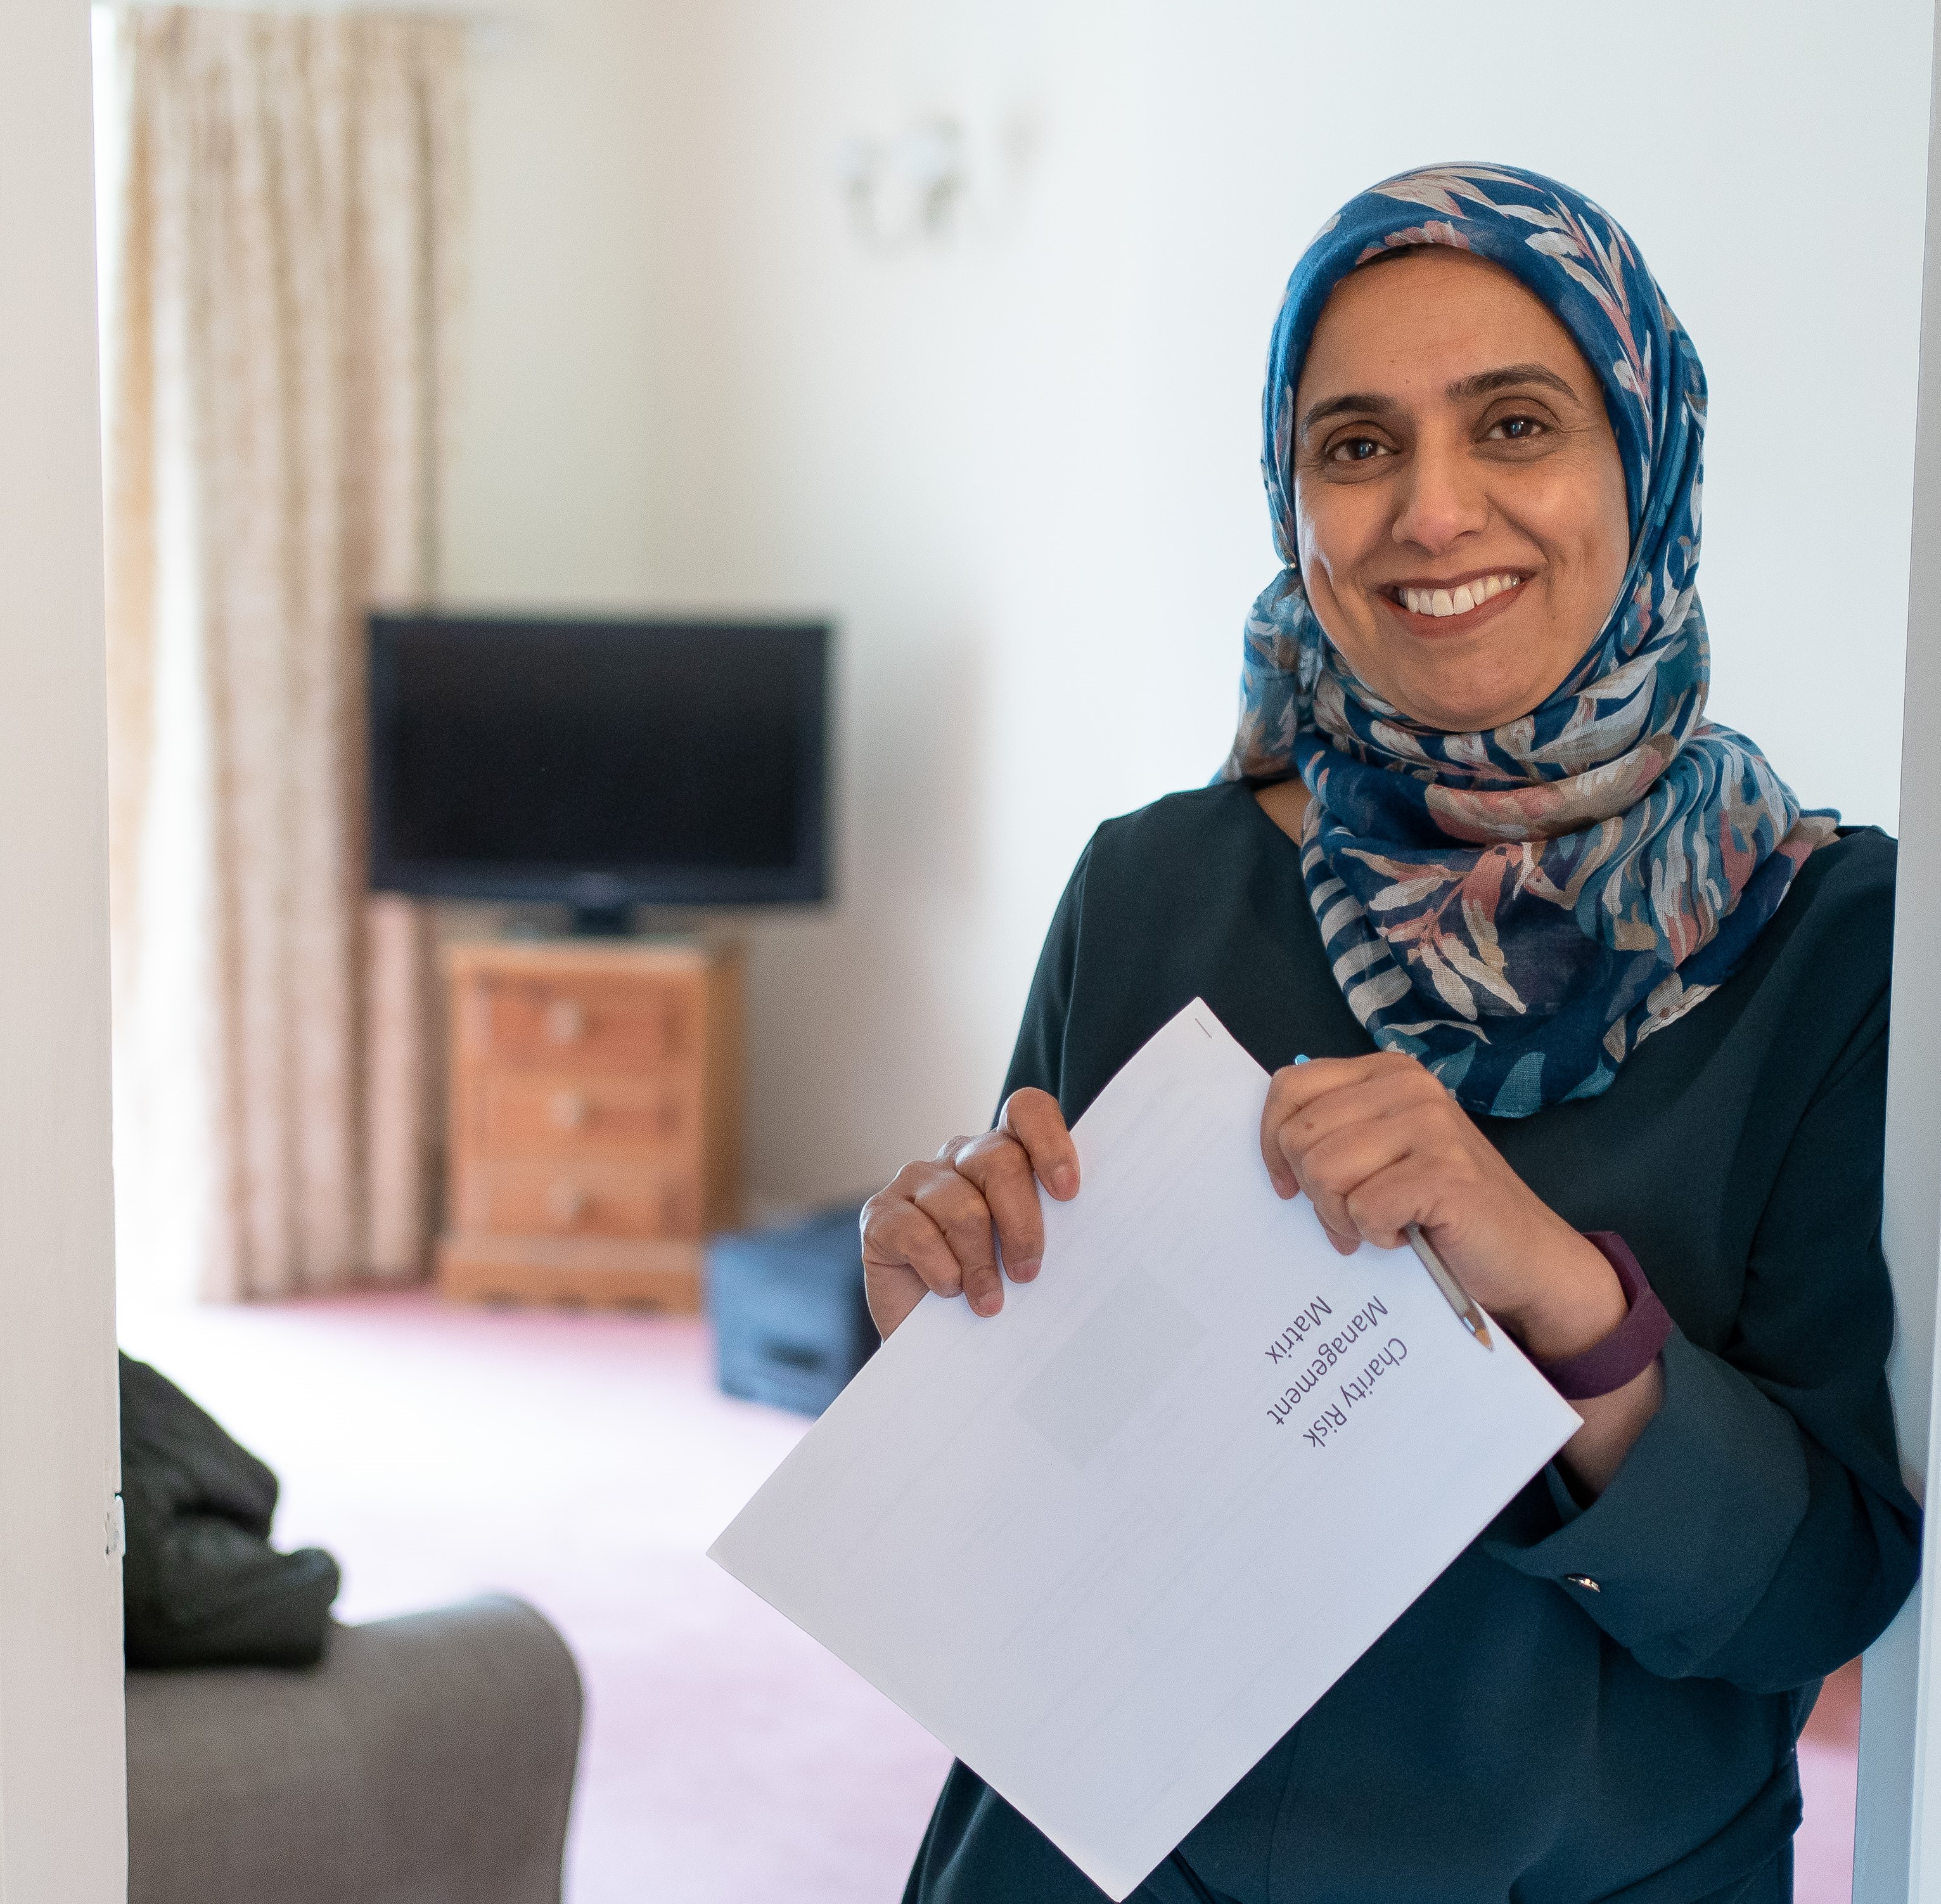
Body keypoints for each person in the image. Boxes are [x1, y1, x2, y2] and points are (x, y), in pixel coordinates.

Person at [861, 163, 1922, 1904]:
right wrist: (942, 1333)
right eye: (1356, 444)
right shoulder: (1153, 884)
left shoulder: (1841, 943)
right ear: (1293, 504)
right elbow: (1038, 1496)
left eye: (1515, 422)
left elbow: (1814, 1595)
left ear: (1646, 462)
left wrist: (1550, 1284)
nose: (1433, 511)